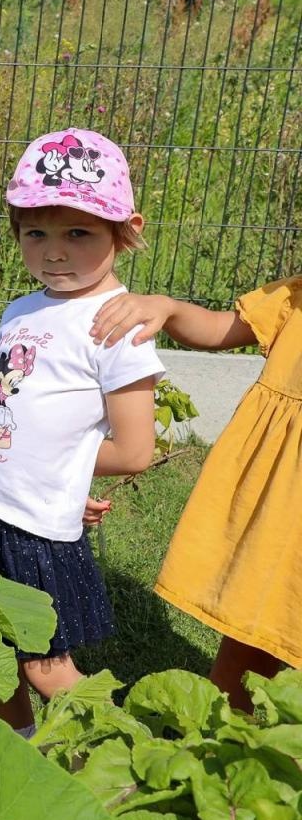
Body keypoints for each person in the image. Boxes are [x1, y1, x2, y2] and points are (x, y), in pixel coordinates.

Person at [0, 128, 162, 731]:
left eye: (77, 233)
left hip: (27, 526)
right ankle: (18, 734)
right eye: (36, 232)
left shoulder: (118, 325)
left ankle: (126, 750)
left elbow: (134, 450)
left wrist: (62, 475)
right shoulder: (23, 308)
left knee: (45, 664)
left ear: (124, 230)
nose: (54, 251)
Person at [90, 278, 302, 710]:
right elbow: (221, 328)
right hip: (282, 503)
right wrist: (169, 308)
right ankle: (220, 737)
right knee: (253, 610)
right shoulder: (295, 297)